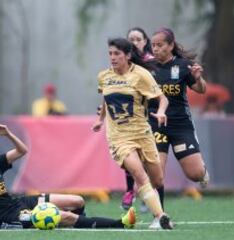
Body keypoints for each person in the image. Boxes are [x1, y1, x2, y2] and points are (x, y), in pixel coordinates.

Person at [0, 124, 136, 231]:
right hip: (7, 218)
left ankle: (78, 226)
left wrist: (7, 134)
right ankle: (120, 223)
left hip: (20, 202)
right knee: (65, 216)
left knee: (77, 200)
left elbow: (22, 150)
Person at [92, 38, 173, 229]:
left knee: (158, 179)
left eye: (117, 53)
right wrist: (100, 119)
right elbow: (106, 98)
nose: (112, 57)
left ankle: (156, 213)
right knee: (138, 174)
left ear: (127, 55)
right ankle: (160, 217)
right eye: (110, 53)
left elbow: (163, 99)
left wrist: (161, 112)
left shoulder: (141, 75)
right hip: (119, 138)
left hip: (143, 133)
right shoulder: (104, 76)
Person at [148, 27, 210, 205]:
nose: (155, 48)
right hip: (156, 124)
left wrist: (198, 79)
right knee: (156, 174)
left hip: (180, 125)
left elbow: (201, 89)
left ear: (170, 45)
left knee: (195, 174)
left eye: (159, 45)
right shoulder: (147, 68)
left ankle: (202, 172)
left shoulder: (183, 65)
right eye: (153, 45)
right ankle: (159, 216)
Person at [121, 27, 155, 212]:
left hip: (152, 116)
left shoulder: (152, 63)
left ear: (145, 41)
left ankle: (146, 192)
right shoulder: (121, 63)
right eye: (131, 39)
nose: (134, 42)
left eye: (137, 39)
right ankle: (129, 190)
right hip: (129, 117)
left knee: (147, 157)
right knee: (128, 153)